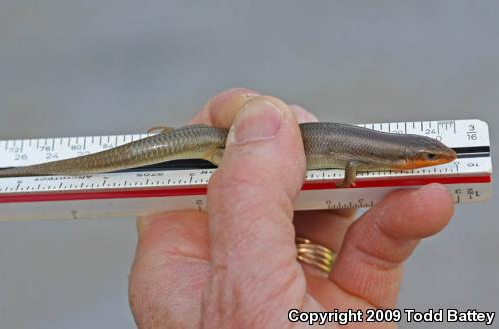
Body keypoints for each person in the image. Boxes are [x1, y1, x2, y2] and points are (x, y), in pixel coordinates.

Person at [128, 88, 455, 328]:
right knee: (217, 145)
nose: (436, 161)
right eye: (429, 157)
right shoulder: (384, 155)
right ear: (410, 157)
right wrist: (346, 182)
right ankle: (182, 140)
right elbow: (353, 162)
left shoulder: (389, 153)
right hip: (227, 146)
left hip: (223, 143)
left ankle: (185, 140)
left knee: (214, 142)